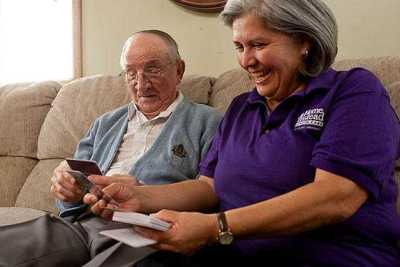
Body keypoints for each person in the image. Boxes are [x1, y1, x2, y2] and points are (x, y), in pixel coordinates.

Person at [85, 1, 400, 266]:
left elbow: (335, 198)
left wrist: (215, 226)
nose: (247, 61)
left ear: (305, 42)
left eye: (259, 45)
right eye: (239, 46)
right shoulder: (241, 108)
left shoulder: (353, 91)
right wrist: (139, 197)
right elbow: (208, 187)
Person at [0, 30, 221, 267]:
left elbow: (211, 196)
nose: (141, 83)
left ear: (179, 70)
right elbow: (71, 199)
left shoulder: (209, 122)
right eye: (130, 72)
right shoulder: (105, 123)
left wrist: (144, 194)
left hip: (149, 229)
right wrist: (68, 190)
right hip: (84, 224)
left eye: (153, 69)